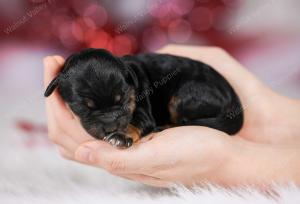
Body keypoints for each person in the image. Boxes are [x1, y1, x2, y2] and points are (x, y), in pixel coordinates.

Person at [44, 45, 300, 187]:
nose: (112, 120)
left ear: (129, 79)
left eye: (122, 104)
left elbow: (144, 121)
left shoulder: (134, 77)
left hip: (205, 94)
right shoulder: (116, 79)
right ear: (57, 89)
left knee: (178, 101)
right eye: (88, 108)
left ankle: (194, 121)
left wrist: (129, 132)